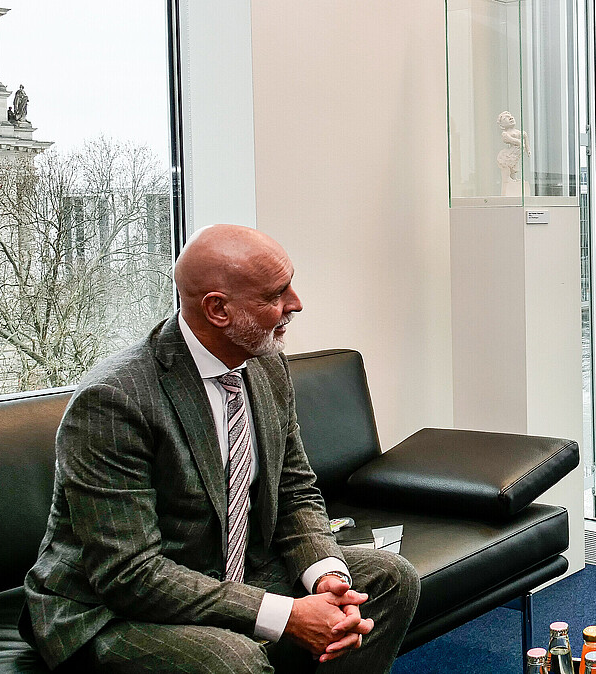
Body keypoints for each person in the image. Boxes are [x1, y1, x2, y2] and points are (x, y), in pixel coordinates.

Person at [22, 224, 420, 673]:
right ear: (218, 309)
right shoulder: (114, 400)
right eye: (276, 294)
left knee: (389, 578)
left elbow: (293, 491)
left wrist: (327, 578)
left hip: (232, 569)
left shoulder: (266, 365)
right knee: (232, 660)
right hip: (111, 607)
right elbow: (128, 573)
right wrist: (287, 615)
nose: (296, 303)